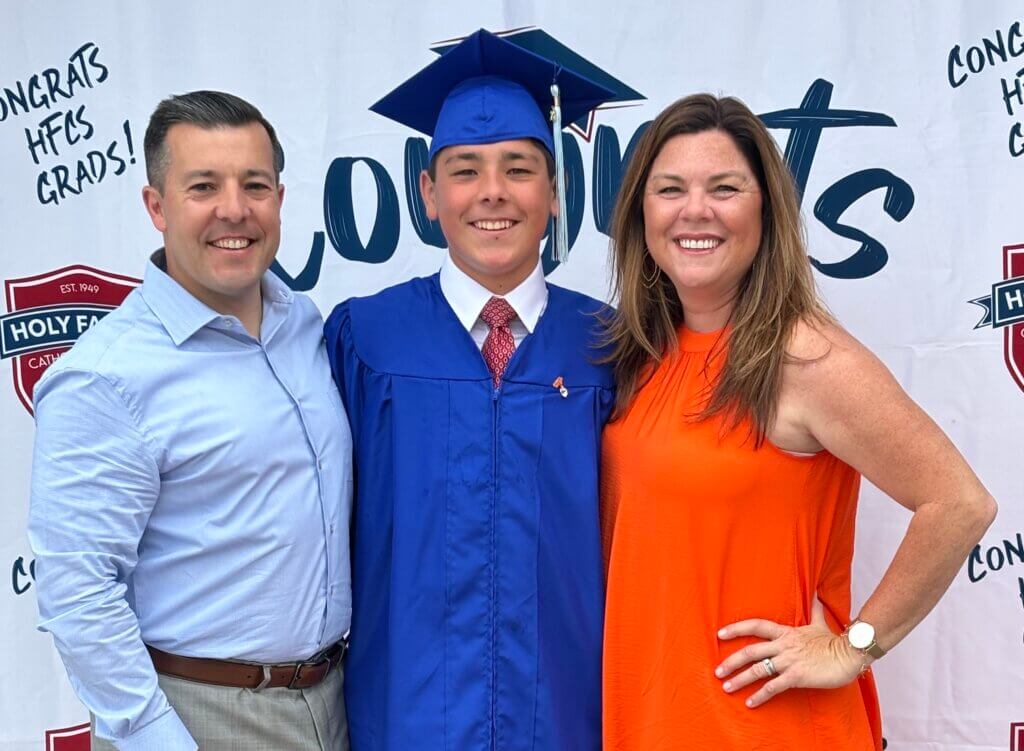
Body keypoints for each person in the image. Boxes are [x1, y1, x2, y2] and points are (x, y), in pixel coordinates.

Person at [599, 94, 997, 750]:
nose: (694, 209)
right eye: (670, 188)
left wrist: (855, 643)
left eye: (724, 188)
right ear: (642, 213)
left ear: (766, 209)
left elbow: (958, 503)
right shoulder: (638, 355)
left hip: (770, 729)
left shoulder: (804, 357)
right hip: (652, 724)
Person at [27, 90, 352, 751]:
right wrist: (154, 736)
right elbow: (78, 587)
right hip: (198, 713)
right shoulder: (108, 376)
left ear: (280, 201)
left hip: (331, 701)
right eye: (203, 186)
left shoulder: (305, 325)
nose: (234, 209)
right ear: (156, 205)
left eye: (253, 185)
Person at [324, 29, 615, 751]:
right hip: (405, 714)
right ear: (428, 193)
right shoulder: (367, 338)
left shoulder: (612, 345)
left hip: (571, 710)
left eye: (518, 168)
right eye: (464, 170)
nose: (492, 192)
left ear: (554, 191)